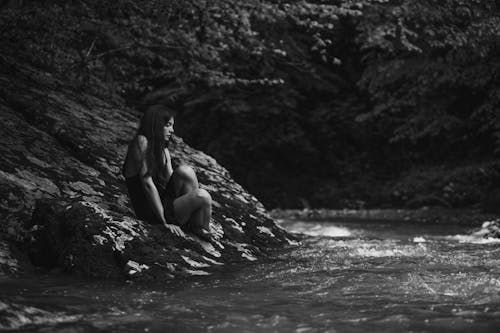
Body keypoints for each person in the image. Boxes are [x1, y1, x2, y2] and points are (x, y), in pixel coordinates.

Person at [122, 103, 212, 240]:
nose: (172, 130)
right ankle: (199, 227)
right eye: (168, 125)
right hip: (150, 212)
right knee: (202, 196)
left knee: (186, 171)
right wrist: (164, 222)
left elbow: (171, 181)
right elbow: (147, 184)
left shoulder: (162, 149)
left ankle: (195, 224)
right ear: (156, 125)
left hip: (164, 204)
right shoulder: (141, 142)